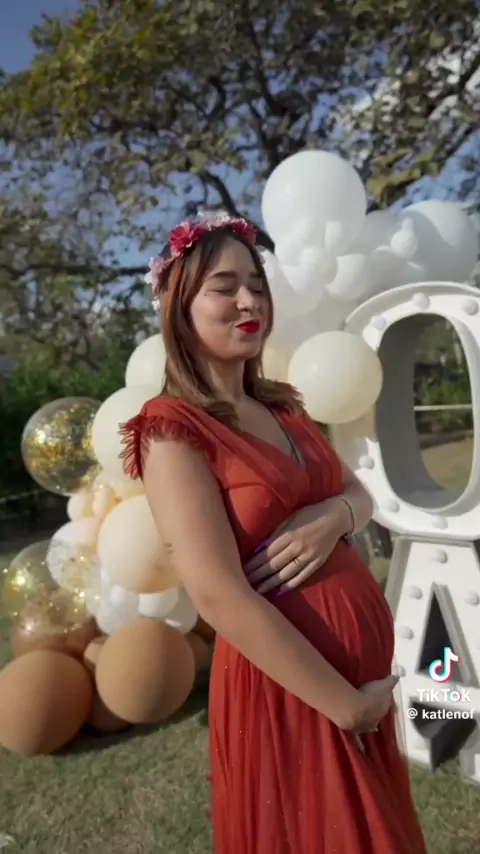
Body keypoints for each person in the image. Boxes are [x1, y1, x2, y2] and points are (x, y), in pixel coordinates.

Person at [120, 215, 427, 854]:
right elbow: (217, 595)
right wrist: (346, 706)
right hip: (293, 692)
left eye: (257, 285)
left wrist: (332, 517)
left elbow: (358, 493)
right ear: (179, 307)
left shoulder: (283, 406)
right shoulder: (173, 428)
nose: (249, 301)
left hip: (354, 687)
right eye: (224, 287)